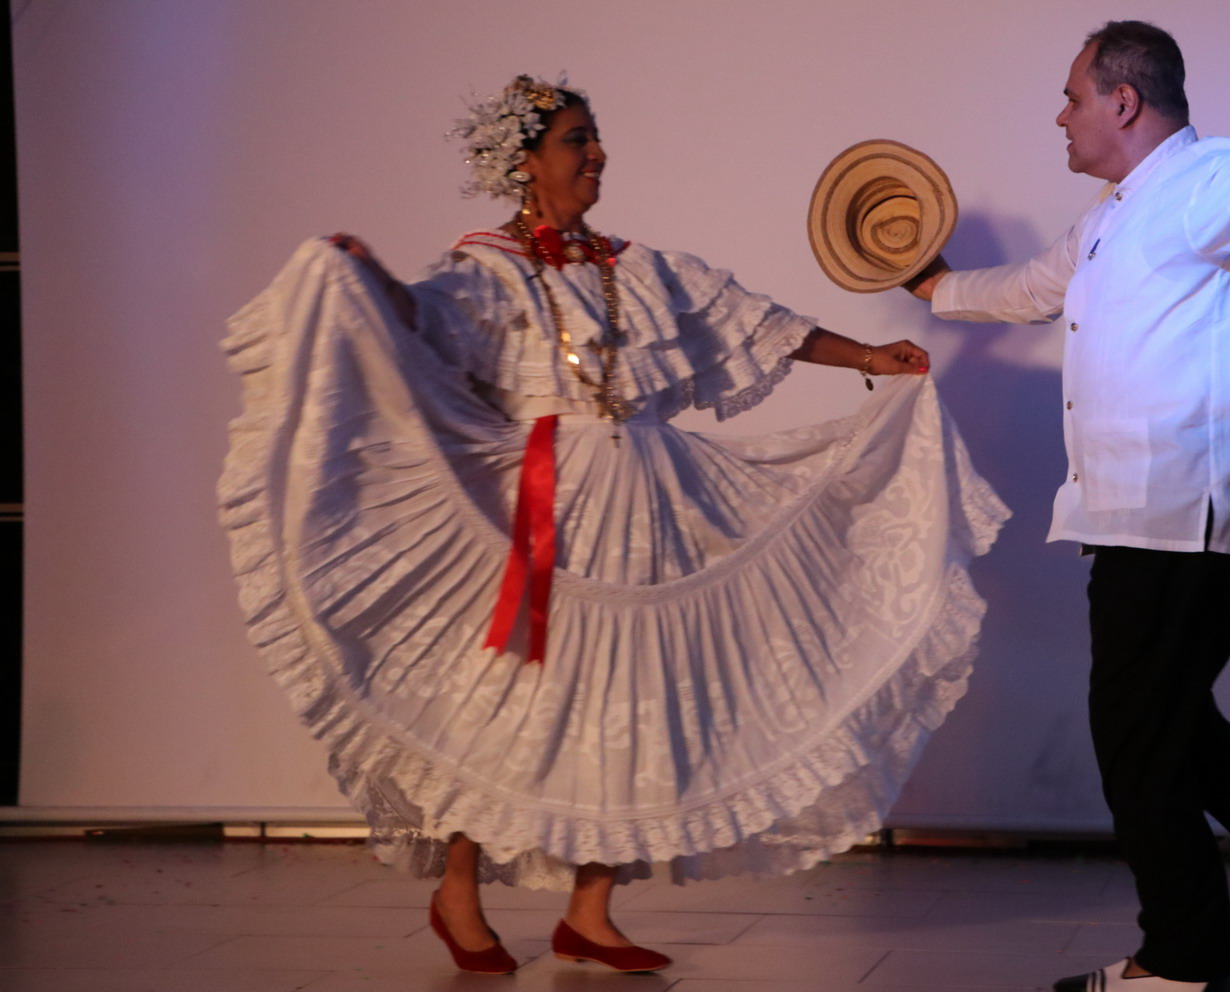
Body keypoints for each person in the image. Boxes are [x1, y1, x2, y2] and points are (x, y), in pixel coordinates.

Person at [219, 73, 1008, 975]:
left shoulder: (636, 267)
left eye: (595, 138)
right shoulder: (488, 267)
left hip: (644, 503)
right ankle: (457, 891)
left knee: (633, 699)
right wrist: (360, 277)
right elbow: (420, 317)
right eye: (576, 139)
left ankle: (589, 912)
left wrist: (869, 355)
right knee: (508, 701)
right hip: (545, 506)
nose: (596, 154)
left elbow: (747, 322)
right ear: (525, 161)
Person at [903, 8, 1230, 992]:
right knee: (1158, 721)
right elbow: (1028, 288)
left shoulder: (1212, 179)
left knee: (1135, 736)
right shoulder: (1108, 217)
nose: (1060, 116)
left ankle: (1184, 955)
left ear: (1123, 101)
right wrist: (930, 284)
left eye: (1072, 97)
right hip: (1144, 514)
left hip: (1184, 511)